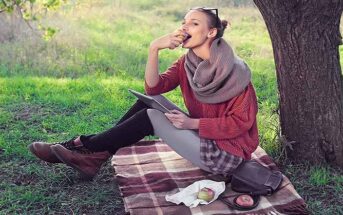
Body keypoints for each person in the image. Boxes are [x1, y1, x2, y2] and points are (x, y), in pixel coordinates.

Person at [29, 7, 259, 180]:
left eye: (194, 23)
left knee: (151, 116)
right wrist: (154, 48)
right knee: (151, 103)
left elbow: (240, 123)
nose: (184, 28)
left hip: (225, 155)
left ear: (211, 32)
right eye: (184, 22)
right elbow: (155, 88)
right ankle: (92, 155)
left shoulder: (234, 72)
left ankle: (83, 147)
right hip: (205, 137)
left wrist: (192, 124)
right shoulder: (187, 63)